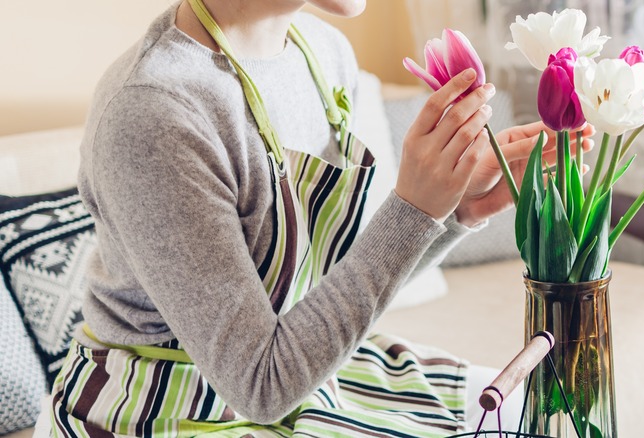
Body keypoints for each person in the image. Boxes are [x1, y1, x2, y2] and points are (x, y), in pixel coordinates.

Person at [46, 0, 593, 436]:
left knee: (537, 417)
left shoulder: (322, 52)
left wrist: (453, 212)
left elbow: (339, 290)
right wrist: (413, 210)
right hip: (160, 408)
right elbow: (259, 386)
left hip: (297, 378)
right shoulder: (154, 110)